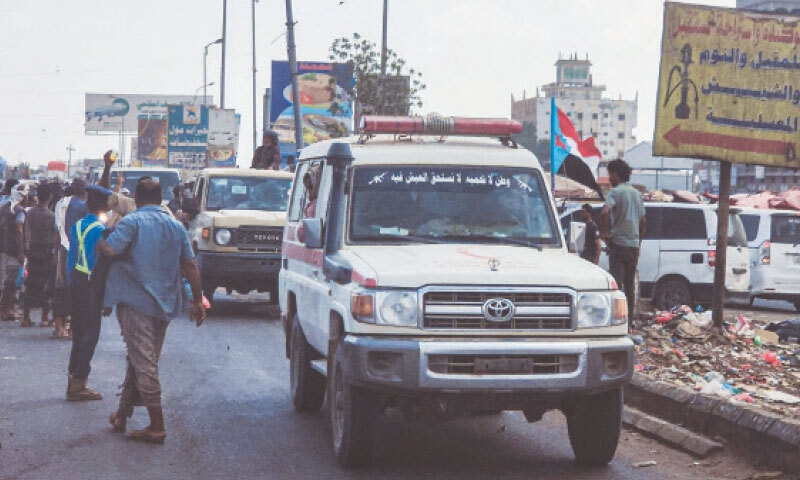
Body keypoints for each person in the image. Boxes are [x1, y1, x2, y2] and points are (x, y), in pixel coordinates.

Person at [100, 179, 205, 443]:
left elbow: (112, 249)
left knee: (144, 362)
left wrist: (100, 241)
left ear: (136, 197)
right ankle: (122, 414)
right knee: (140, 357)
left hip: (136, 301)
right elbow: (191, 265)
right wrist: (197, 301)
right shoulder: (175, 225)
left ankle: (157, 425)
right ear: (160, 199)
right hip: (165, 303)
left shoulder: (131, 222)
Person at [65, 185, 112, 401]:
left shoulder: (76, 226)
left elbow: (71, 257)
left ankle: (73, 379)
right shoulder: (100, 229)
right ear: (103, 205)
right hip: (91, 283)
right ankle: (79, 383)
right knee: (90, 335)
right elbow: (99, 263)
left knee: (78, 332)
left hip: (76, 280)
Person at [600, 159, 645, 320]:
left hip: (618, 244)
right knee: (629, 286)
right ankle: (629, 321)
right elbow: (642, 221)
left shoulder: (615, 192)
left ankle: (617, 319)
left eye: (610, 174)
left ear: (616, 175)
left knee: (617, 285)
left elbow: (605, 212)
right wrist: (638, 244)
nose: (609, 178)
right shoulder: (636, 194)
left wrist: (605, 234)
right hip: (633, 246)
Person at [22, 183, 58, 329]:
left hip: (31, 251)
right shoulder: (51, 216)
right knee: (46, 284)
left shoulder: (29, 213)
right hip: (46, 252)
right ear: (49, 197)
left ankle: (26, 317)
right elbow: (56, 236)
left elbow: (25, 232)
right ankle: (44, 318)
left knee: (30, 283)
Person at [0, 186, 30, 322]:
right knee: (11, 283)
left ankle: (9, 309)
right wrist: (21, 251)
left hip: (5, 248)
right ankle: (5, 311)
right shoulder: (19, 211)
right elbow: (19, 229)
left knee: (9, 282)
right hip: (14, 251)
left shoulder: (5, 207)